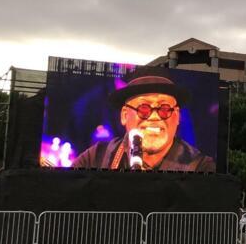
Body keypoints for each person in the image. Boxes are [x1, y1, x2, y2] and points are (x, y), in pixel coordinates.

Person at [72, 73, 215, 172]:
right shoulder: (95, 158)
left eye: (164, 108)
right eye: (144, 108)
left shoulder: (201, 167)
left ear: (177, 116)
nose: (154, 116)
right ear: (124, 115)